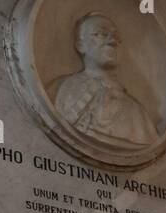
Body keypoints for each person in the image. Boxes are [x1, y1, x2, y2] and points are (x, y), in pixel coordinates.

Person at [53, 12, 158, 146]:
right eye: (101, 34)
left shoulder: (137, 111)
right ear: (81, 45)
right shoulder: (61, 89)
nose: (113, 41)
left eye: (116, 37)